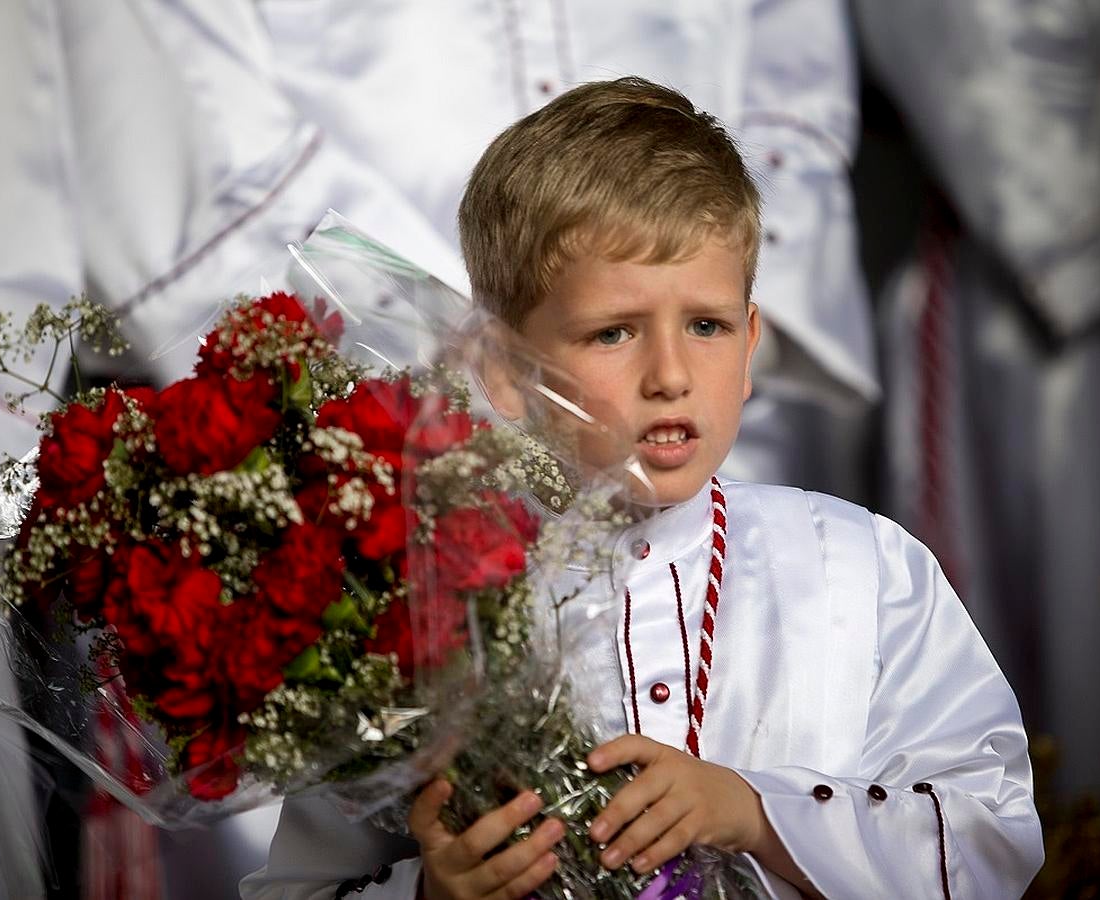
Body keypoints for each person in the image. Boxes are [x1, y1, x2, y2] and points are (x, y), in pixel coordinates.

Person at [242, 77, 1042, 900]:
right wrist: (434, 892)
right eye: (613, 332)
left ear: (751, 341)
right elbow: (295, 889)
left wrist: (756, 811)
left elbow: (992, 836)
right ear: (502, 369)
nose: (670, 376)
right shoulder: (415, 605)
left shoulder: (864, 568)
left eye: (706, 325)